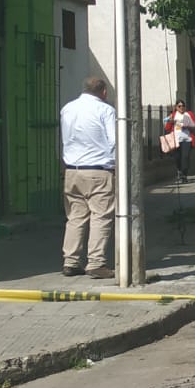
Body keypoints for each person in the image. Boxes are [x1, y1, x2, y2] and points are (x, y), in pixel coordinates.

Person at [60, 77, 118, 279]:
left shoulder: (67, 109)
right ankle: (96, 263)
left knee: (75, 217)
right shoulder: (106, 110)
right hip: (98, 171)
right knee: (100, 216)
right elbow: (114, 141)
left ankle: (71, 261)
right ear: (103, 92)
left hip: (72, 171)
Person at [164, 100, 195, 183]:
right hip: (176, 140)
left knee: (185, 157)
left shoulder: (189, 114)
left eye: (183, 106)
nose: (181, 107)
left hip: (187, 139)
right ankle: (179, 172)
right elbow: (167, 128)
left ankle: (184, 176)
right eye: (179, 106)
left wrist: (187, 125)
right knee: (177, 157)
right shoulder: (173, 115)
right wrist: (170, 122)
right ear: (176, 107)